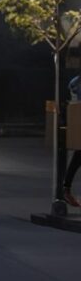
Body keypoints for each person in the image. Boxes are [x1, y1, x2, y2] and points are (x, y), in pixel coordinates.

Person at [64, 73, 81, 207]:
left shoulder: (74, 82)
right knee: (78, 157)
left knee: (78, 156)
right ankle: (66, 189)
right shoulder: (77, 83)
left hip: (76, 122)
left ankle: (66, 189)